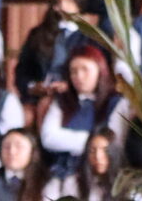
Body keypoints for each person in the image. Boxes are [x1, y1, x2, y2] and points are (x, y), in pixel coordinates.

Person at [37, 47, 126, 177]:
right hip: (62, 171)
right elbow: (48, 138)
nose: (79, 76)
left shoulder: (114, 101)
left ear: (99, 70)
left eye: (85, 70)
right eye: (73, 71)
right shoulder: (63, 100)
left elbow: (113, 142)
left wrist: (66, 139)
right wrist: (91, 142)